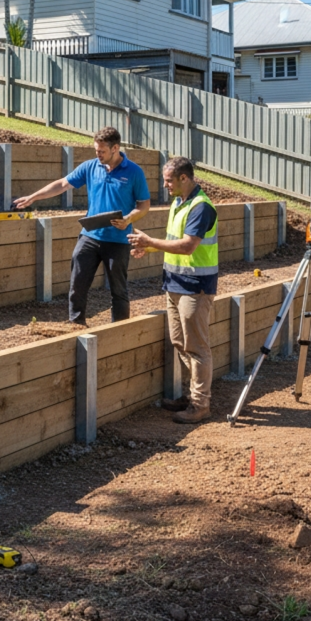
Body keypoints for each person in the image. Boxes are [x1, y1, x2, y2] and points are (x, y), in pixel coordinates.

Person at [14, 126, 150, 324]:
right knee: (77, 284)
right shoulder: (90, 166)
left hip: (118, 240)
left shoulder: (134, 172)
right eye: (96, 150)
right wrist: (33, 197)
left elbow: (144, 205)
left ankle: (120, 329)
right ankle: (76, 324)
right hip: (90, 236)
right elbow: (62, 184)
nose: (98, 154)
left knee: (118, 290)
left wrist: (129, 219)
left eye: (102, 151)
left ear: (115, 148)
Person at [128, 156, 217, 424]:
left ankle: (201, 405)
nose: (165, 185)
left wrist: (148, 239)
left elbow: (187, 246)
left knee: (197, 347)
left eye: (169, 180)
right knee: (180, 342)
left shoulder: (201, 207)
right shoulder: (178, 203)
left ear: (184, 178)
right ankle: (194, 396)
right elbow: (173, 242)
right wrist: (150, 247)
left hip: (195, 288)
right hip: (174, 284)